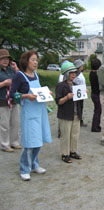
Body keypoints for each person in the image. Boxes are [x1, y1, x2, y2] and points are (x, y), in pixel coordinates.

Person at [10, 50, 52, 181]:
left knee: (38, 140)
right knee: (29, 142)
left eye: (36, 60)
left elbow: (38, 91)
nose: (35, 62)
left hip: (40, 111)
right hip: (28, 112)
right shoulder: (19, 76)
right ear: (25, 61)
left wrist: (46, 92)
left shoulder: (36, 75)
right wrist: (26, 96)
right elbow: (12, 94)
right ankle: (24, 168)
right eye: (33, 60)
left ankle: (34, 164)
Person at [55, 62, 82, 163]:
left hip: (75, 113)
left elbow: (79, 99)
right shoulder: (61, 86)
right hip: (65, 114)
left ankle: (73, 151)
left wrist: (83, 93)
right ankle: (64, 154)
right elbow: (58, 101)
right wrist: (67, 97)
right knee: (65, 135)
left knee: (75, 134)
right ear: (66, 74)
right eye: (71, 73)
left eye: (75, 72)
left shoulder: (76, 85)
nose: (74, 74)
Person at [0, 49, 21, 152]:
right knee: (4, 124)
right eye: (2, 58)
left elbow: (21, 78)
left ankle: (14, 142)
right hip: (2, 101)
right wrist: (3, 84)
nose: (5, 60)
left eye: (7, 58)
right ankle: (4, 145)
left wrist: (16, 68)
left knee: (15, 122)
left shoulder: (11, 70)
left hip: (13, 99)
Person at [73, 59, 87, 127]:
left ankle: (80, 119)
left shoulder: (80, 73)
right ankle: (79, 120)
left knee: (81, 106)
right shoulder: (75, 74)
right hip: (78, 93)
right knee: (78, 107)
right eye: (81, 65)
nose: (83, 66)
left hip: (82, 92)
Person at [89, 58, 102, 132]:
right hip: (97, 94)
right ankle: (95, 127)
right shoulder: (96, 75)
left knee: (97, 110)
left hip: (94, 94)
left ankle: (96, 125)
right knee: (98, 111)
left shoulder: (91, 73)